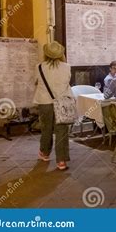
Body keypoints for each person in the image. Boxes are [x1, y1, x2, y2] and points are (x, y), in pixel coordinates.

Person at [33, 41, 72, 171]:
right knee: (61, 131)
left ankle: (44, 153)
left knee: (46, 129)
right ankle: (61, 161)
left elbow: (36, 82)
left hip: (44, 102)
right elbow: (67, 82)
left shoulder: (39, 67)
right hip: (62, 102)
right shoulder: (66, 67)